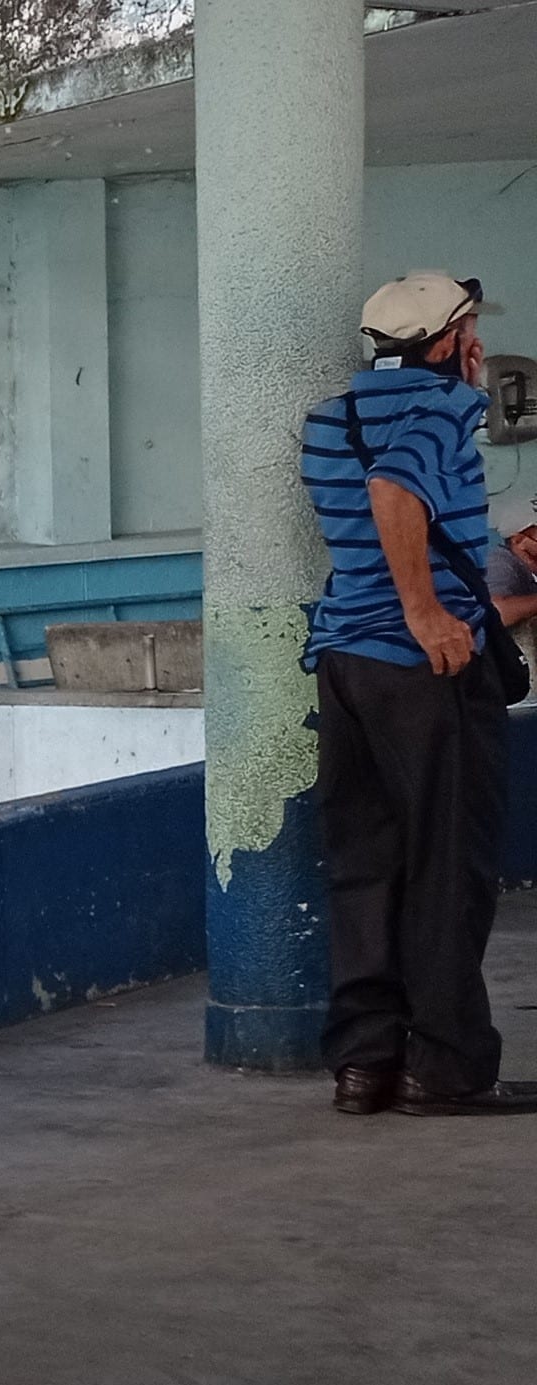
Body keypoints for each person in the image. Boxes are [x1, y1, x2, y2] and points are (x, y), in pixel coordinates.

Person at [297, 270, 535, 1117]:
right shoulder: (442, 410)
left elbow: (368, 500)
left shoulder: (332, 417)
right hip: (423, 671)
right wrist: (427, 612)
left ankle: (364, 1066)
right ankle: (446, 1068)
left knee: (367, 865)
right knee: (448, 869)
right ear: (447, 344)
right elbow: (395, 490)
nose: (478, 348)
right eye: (471, 332)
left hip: (346, 663)